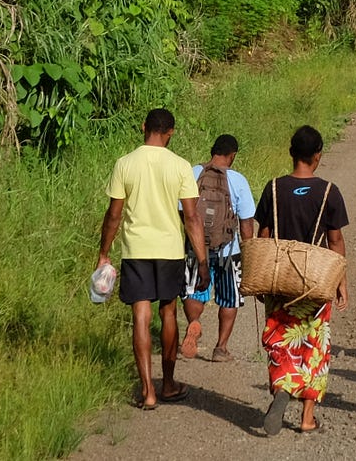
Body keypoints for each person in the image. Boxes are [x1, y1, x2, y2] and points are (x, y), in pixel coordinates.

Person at [98, 109, 207, 410]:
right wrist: (202, 259)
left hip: (137, 250)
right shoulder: (181, 166)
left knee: (140, 316)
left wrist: (104, 252)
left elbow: (114, 215)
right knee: (168, 313)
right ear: (170, 132)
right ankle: (168, 384)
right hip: (170, 250)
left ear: (144, 126)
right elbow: (193, 217)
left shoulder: (125, 164)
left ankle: (148, 391)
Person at [253, 125, 349, 436]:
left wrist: (261, 275)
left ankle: (283, 386)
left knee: (282, 340)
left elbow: (264, 235)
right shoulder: (329, 191)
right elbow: (335, 241)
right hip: (315, 281)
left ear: (292, 153)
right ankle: (307, 417)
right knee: (314, 347)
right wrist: (341, 282)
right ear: (318, 155)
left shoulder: (273, 188)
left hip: (280, 278)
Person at [180, 134, 256, 362]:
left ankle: (194, 322)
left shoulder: (194, 173)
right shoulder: (238, 180)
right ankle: (220, 348)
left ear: (212, 150)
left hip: (196, 248)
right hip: (228, 251)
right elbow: (246, 223)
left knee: (194, 291)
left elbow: (183, 213)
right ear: (232, 155)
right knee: (229, 299)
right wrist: (249, 254)